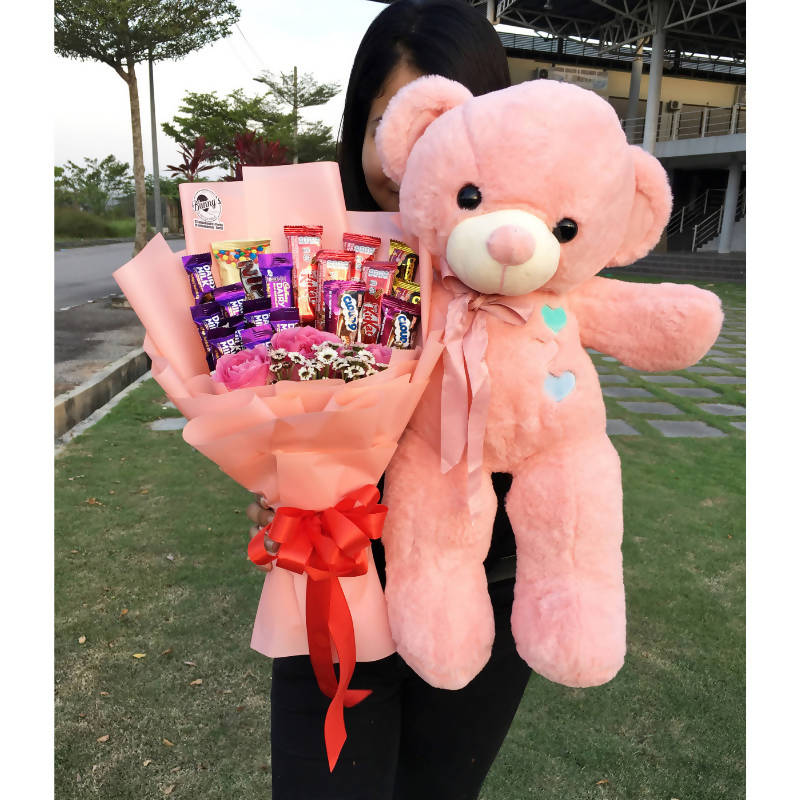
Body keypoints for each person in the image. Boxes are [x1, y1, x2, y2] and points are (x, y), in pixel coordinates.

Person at [246, 2, 531, 797]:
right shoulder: (309, 254)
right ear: (356, 126)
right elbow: (262, 403)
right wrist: (281, 483)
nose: (406, 160)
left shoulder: (525, 265)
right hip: (335, 586)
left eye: (441, 126)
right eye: (385, 125)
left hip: (483, 590)